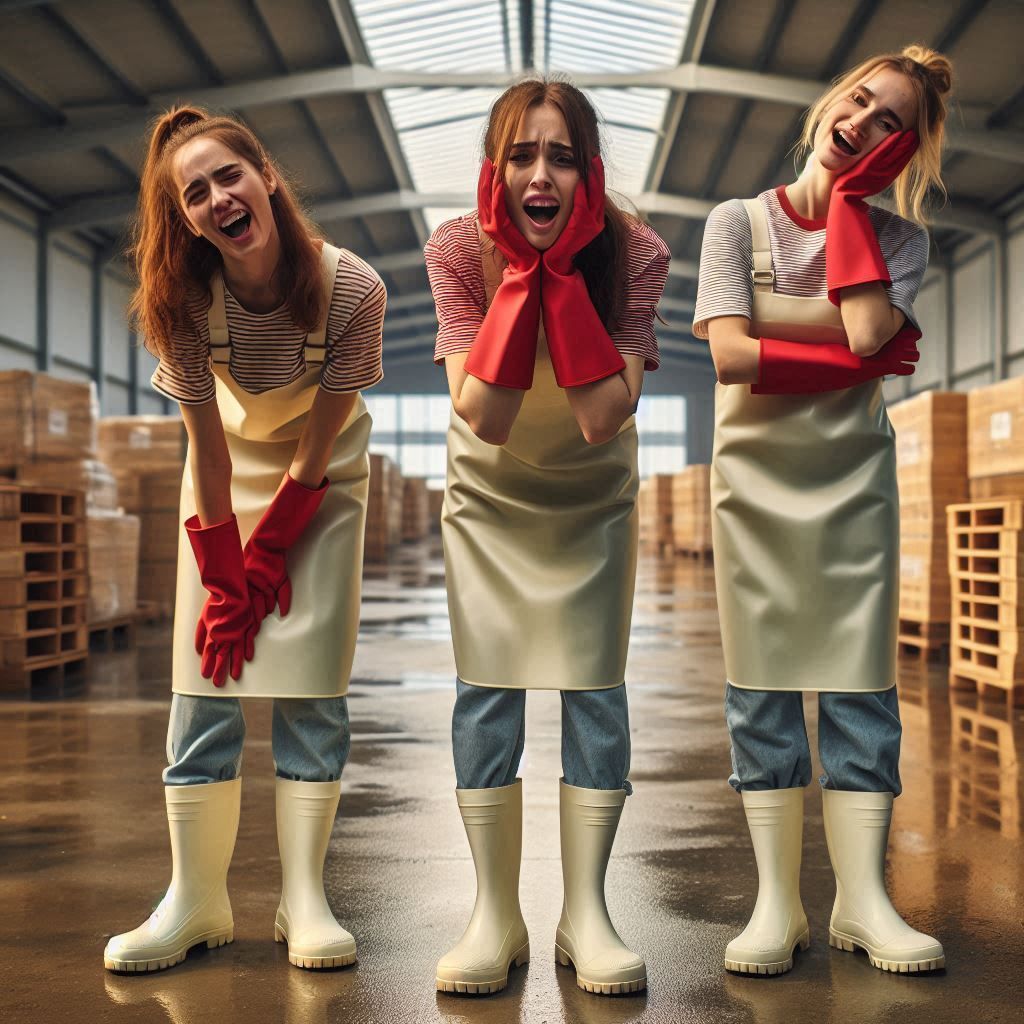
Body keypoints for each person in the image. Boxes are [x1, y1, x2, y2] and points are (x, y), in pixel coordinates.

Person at [103, 106, 385, 973]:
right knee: (202, 685)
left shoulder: (353, 290)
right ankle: (196, 899)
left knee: (310, 686)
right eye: (195, 193)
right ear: (185, 220)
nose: (219, 197)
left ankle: (304, 897)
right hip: (224, 486)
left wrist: (275, 554)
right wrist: (227, 573)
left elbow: (314, 450)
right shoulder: (181, 302)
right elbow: (208, 448)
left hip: (321, 482)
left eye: (229, 175)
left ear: (264, 174)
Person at [692, 45, 953, 976]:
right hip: (756, 491)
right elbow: (730, 356)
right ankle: (776, 905)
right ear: (826, 102)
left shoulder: (902, 242)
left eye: (891, 124)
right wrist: (852, 364)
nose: (864, 124)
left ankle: (861, 901)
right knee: (761, 695)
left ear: (904, 154)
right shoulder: (735, 223)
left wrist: (848, 208)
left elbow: (872, 329)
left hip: (852, 491)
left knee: (859, 693)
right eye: (859, 100)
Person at [424, 79, 670, 996]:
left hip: (590, 495)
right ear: (496, 168)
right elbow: (481, 412)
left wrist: (563, 272)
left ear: (591, 172)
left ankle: (586, 913)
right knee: (485, 694)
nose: (541, 173)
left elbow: (607, 413)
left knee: (595, 697)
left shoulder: (636, 252)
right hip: (491, 497)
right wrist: (524, 276)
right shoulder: (455, 247)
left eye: (562, 156)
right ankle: (494, 914)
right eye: (521, 154)